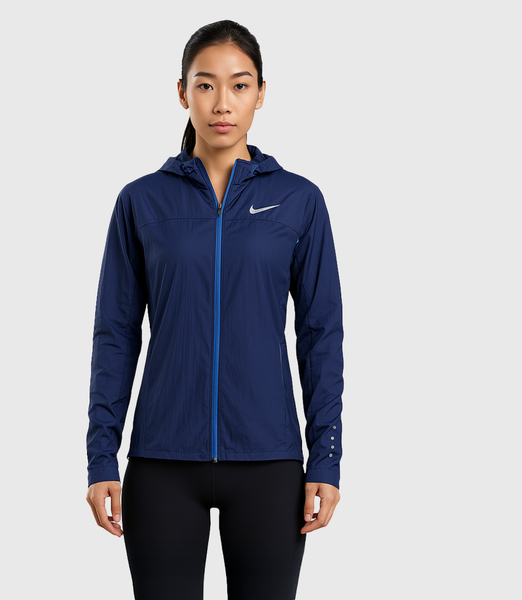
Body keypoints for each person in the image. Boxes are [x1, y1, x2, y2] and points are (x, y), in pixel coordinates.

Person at [85, 19, 344, 600]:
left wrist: (326, 458)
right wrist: (102, 456)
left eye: (239, 85)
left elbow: (321, 334)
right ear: (183, 93)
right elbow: (115, 335)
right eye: (205, 85)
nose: (222, 103)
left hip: (269, 460)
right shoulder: (141, 200)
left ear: (260, 93)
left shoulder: (299, 200)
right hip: (161, 460)